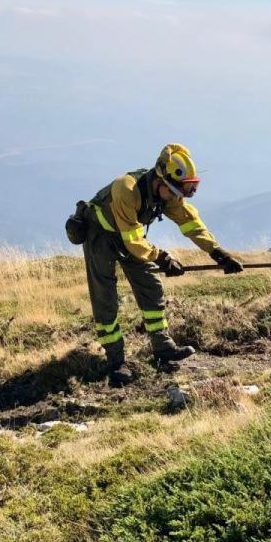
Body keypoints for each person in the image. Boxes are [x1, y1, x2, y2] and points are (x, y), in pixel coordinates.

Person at [81, 143, 243, 385]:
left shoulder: (168, 192)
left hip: (129, 235)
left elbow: (190, 223)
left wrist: (219, 254)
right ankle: (116, 363)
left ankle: (162, 347)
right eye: (174, 193)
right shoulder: (126, 189)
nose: (175, 200)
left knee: (151, 287)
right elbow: (134, 241)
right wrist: (163, 258)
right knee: (106, 300)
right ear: (160, 180)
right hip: (100, 236)